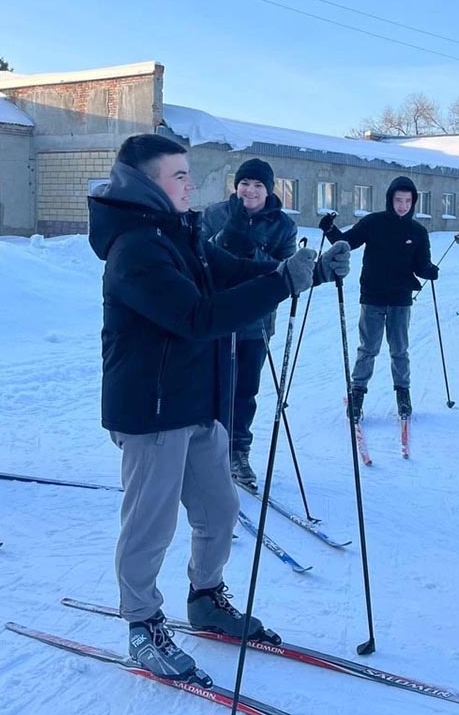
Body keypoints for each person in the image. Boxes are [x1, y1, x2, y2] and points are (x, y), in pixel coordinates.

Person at [87, 133, 349, 684]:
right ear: (146, 184)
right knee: (150, 523)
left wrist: (312, 273)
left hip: (196, 402)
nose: (192, 184)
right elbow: (197, 317)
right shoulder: (135, 249)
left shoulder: (178, 231)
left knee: (220, 510)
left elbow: (228, 272)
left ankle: (205, 598)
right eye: (180, 176)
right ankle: (142, 624)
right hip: (152, 409)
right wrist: (281, 284)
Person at [200, 158, 297, 490]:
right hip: (216, 318)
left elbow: (285, 272)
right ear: (236, 185)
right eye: (244, 183)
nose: (250, 191)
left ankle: (238, 451)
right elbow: (199, 258)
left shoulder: (283, 226)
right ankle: (208, 451)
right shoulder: (216, 214)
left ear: (268, 190)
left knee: (245, 391)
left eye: (258, 185)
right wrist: (230, 236)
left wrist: (250, 251)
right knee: (213, 387)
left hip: (256, 322)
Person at [319, 175, 437, 421]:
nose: (403, 205)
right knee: (368, 348)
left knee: (399, 350)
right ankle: (357, 394)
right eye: (399, 200)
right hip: (372, 296)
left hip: (401, 299)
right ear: (390, 199)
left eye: (408, 201)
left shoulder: (418, 231)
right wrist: (330, 230)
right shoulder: (374, 222)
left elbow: (421, 265)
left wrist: (429, 270)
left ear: (413, 202)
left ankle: (403, 395)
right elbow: (347, 242)